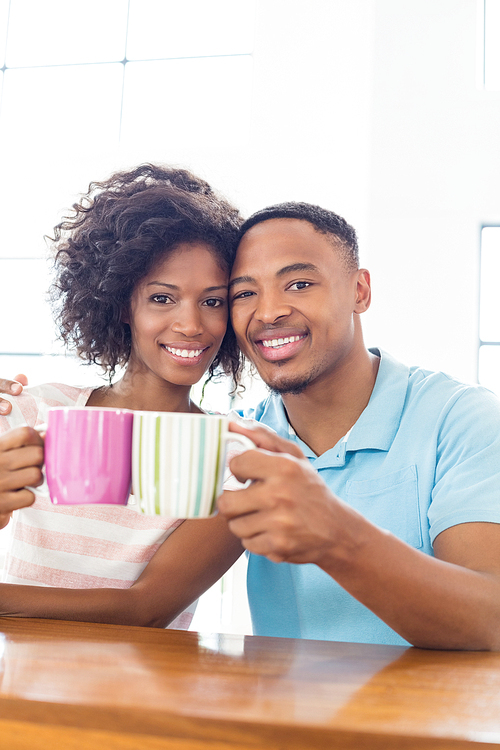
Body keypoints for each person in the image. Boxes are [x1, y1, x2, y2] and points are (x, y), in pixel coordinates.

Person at [215, 202, 500, 650]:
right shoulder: (239, 441)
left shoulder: (463, 420)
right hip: (281, 717)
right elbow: (147, 602)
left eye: (300, 284)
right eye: (244, 294)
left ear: (360, 292)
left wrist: (336, 535)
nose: (268, 313)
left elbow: (491, 621)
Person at [0, 163, 244, 627]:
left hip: (140, 697)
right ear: (121, 303)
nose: (191, 325)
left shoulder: (234, 456)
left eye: (212, 301)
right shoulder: (32, 411)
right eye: (162, 298)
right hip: (16, 692)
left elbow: (145, 610)